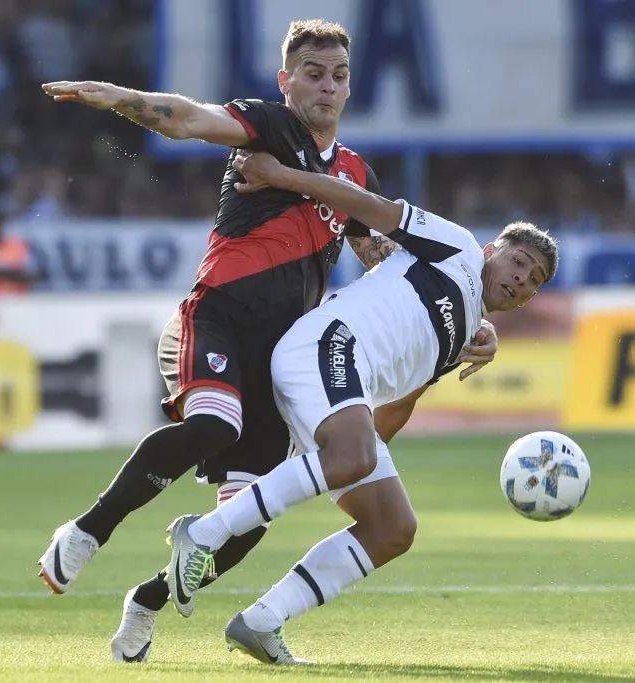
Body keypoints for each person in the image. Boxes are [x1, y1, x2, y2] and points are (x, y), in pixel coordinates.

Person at [32, 19, 499, 661]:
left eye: (338, 75)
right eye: (313, 73)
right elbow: (187, 119)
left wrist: (468, 313)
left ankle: (145, 602)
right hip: (219, 315)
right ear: (287, 81)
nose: (327, 86)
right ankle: (87, 531)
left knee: (248, 515)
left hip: (279, 353)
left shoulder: (355, 171)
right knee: (215, 425)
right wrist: (117, 97)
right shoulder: (268, 127)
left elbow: (379, 255)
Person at [168, 149, 558, 665]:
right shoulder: (457, 247)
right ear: (492, 250)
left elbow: (398, 405)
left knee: (392, 527)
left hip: (341, 390)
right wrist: (284, 175)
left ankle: (262, 622)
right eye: (518, 263)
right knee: (355, 456)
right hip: (328, 344)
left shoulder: (464, 335)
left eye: (532, 282)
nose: (520, 279)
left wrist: (362, 456)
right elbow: (367, 204)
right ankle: (202, 532)